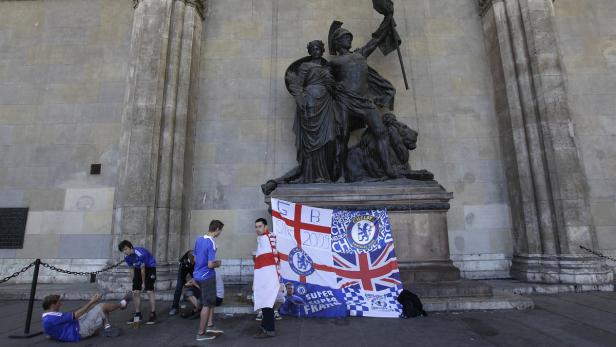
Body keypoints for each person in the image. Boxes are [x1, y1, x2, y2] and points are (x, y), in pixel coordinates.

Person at [328, 18, 398, 181]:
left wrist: (387, 20)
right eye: (345, 37)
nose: (349, 40)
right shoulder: (334, 62)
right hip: (345, 100)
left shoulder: (360, 54)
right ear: (338, 42)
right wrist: (333, 86)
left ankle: (389, 169)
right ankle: (337, 174)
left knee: (380, 131)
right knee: (342, 136)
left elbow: (376, 40)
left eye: (349, 37)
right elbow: (323, 79)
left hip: (364, 101)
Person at [41, 293, 131, 342]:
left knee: (96, 310)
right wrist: (92, 301)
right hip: (79, 330)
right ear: (52, 305)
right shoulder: (53, 317)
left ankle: (107, 327)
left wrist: (53, 335)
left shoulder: (46, 317)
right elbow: (76, 315)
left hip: (76, 327)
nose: (60, 304)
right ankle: (122, 304)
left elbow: (48, 332)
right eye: (58, 303)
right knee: (102, 306)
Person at [194, 219, 224, 341]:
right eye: (220, 230)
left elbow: (195, 259)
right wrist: (219, 263)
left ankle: (210, 325)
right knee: (207, 305)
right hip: (207, 276)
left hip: (198, 275)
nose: (220, 233)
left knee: (210, 301)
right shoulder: (211, 243)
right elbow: (211, 264)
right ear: (217, 229)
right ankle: (201, 334)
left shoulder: (199, 239)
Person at [252, 218, 280, 338]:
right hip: (266, 276)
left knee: (267, 303)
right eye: (256, 227)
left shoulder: (267, 238)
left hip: (268, 276)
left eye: (260, 226)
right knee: (265, 302)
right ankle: (265, 326)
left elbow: (269, 261)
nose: (257, 229)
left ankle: (269, 329)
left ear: (265, 226)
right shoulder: (265, 238)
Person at [118, 240, 157, 325]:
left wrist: (143, 284)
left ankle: (153, 313)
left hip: (149, 267)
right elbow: (132, 269)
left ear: (131, 247)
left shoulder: (140, 254)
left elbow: (143, 270)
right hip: (138, 268)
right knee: (136, 291)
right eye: (123, 250)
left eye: (126, 249)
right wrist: (134, 282)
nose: (125, 251)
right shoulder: (126, 257)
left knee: (149, 290)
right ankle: (138, 315)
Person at [169, 250, 195, 316]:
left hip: (193, 268)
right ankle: (174, 307)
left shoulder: (199, 257)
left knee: (197, 282)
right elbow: (182, 266)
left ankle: (197, 304)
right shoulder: (184, 260)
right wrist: (185, 282)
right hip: (183, 267)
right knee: (179, 286)